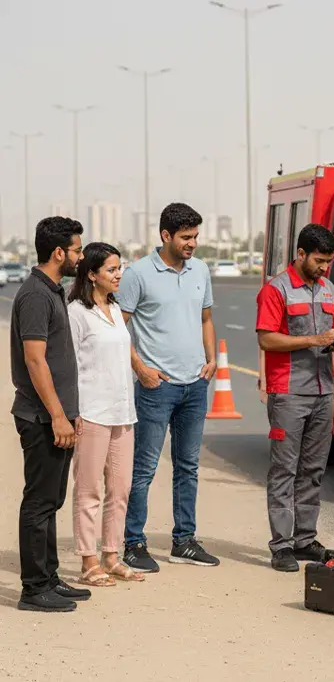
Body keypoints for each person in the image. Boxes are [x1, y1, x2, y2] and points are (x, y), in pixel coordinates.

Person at [115, 202, 220, 572]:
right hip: (156, 389)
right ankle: (132, 543)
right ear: (165, 236)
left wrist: (211, 360)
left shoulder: (200, 270)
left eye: (195, 236)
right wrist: (141, 369)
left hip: (195, 385)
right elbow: (116, 327)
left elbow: (206, 318)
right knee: (143, 468)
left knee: (188, 466)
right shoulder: (139, 274)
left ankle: (184, 541)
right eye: (186, 237)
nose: (192, 243)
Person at [255, 224, 334, 572]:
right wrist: (315, 339)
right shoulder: (276, 290)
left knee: (313, 470)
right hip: (288, 393)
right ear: (300, 254)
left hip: (322, 390)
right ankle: (281, 545)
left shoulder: (328, 289)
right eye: (318, 260)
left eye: (328, 262)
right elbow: (267, 340)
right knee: (285, 469)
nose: (324, 268)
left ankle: (304, 539)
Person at [11, 216, 90, 612]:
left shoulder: (52, 290)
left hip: (57, 415)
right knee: (39, 502)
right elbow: (35, 361)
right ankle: (33, 588)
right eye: (77, 249)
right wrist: (58, 415)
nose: (80, 255)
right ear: (59, 252)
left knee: (52, 500)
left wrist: (69, 412)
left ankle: (49, 578)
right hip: (40, 417)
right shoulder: (36, 296)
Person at [67, 242, 146, 587]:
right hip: (91, 412)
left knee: (121, 489)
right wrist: (71, 412)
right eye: (112, 269)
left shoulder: (115, 308)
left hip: (122, 411)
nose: (119, 275)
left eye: (120, 268)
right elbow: (67, 366)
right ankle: (88, 561)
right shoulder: (76, 312)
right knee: (88, 490)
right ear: (92, 274)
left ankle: (111, 556)